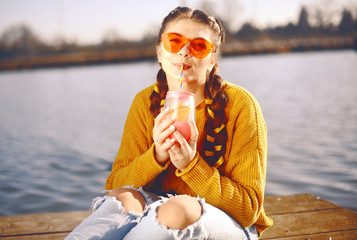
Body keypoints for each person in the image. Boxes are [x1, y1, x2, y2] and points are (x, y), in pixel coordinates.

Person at [66, 6, 273, 240]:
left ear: (213, 58)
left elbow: (248, 210)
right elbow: (115, 184)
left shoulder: (241, 105)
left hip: (231, 223)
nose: (184, 52)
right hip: (158, 211)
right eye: (174, 42)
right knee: (123, 199)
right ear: (159, 52)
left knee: (178, 208)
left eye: (199, 46)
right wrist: (157, 156)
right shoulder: (144, 102)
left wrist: (192, 165)